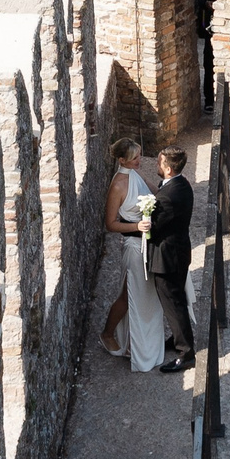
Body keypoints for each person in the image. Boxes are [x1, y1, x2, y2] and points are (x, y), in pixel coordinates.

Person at [98, 138, 165, 373]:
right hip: (133, 246)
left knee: (145, 295)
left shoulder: (136, 175)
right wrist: (137, 228)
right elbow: (110, 224)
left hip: (148, 243)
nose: (139, 160)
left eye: (139, 155)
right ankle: (107, 334)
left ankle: (134, 342)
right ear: (121, 159)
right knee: (129, 294)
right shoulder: (117, 186)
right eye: (135, 157)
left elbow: (156, 191)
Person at [148, 146, 197, 373]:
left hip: (168, 257)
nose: (157, 166)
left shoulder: (168, 197)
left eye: (159, 163)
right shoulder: (181, 184)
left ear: (167, 168)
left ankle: (186, 353)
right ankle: (178, 338)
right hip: (179, 251)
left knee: (173, 303)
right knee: (175, 301)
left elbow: (154, 228)